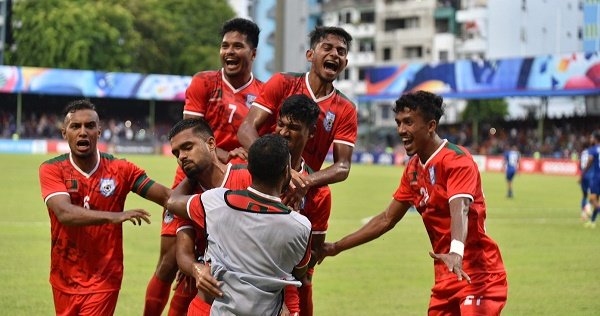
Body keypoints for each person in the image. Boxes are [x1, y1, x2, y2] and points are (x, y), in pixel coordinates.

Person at [318, 91, 508, 315]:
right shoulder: (413, 169)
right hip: (446, 277)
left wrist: (456, 251)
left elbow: (460, 208)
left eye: (408, 122)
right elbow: (386, 219)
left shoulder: (457, 160)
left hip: (479, 275)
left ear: (431, 126)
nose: (401, 131)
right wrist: (335, 247)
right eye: (398, 123)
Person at [144, 17, 263, 316]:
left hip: (230, 186)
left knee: (209, 267)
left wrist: (240, 160)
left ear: (254, 53)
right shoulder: (204, 82)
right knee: (171, 261)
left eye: (238, 46)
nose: (229, 52)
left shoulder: (264, 93)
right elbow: (190, 135)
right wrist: (230, 154)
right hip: (190, 178)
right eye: (225, 46)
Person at [38, 100, 171, 315]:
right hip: (63, 276)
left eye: (90, 126)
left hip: (104, 278)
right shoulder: (52, 169)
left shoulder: (122, 169)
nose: (83, 132)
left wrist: (206, 196)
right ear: (64, 133)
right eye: (75, 126)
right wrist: (113, 217)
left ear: (99, 131)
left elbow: (166, 197)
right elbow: (64, 213)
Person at [167, 134, 312, 315]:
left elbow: (172, 201)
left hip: (213, 308)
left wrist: (192, 173)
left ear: (248, 169)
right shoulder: (300, 226)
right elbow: (299, 271)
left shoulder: (215, 201)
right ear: (286, 172)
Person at [237, 26, 356, 206]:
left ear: (345, 63)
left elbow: (343, 166)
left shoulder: (346, 108)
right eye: (327, 48)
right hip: (263, 180)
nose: (334, 54)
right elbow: (246, 128)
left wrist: (304, 182)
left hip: (301, 191)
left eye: (341, 51)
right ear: (310, 55)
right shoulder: (282, 83)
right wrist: (279, 166)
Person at [168, 117, 253, 315]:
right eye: (176, 153)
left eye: (187, 147)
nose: (182, 156)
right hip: (210, 285)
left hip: (252, 285)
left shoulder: (247, 177)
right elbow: (183, 252)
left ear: (211, 143)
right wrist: (196, 269)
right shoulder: (185, 199)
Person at [582, 131, 600, 228]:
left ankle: (591, 219)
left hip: (597, 177)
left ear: (595, 139)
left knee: (592, 199)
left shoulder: (593, 150)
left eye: (592, 138)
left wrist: (583, 172)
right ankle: (592, 221)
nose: (590, 139)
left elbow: (589, 161)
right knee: (596, 199)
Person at [579, 139, 595, 221]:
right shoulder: (592, 152)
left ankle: (583, 214)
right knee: (593, 195)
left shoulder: (583, 153)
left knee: (584, 195)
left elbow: (580, 165)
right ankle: (588, 208)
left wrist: (581, 175)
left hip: (583, 175)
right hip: (590, 175)